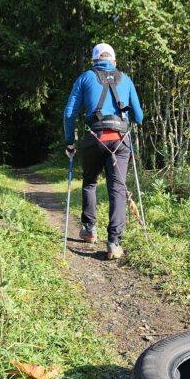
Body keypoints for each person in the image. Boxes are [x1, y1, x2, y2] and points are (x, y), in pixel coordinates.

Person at [63, 43, 144, 260]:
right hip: (120, 140)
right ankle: (114, 242)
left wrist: (69, 141)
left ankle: (89, 230)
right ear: (113, 61)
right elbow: (139, 116)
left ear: (94, 61)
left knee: (89, 182)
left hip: (94, 138)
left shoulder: (84, 78)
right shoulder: (125, 79)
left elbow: (69, 113)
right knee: (117, 189)